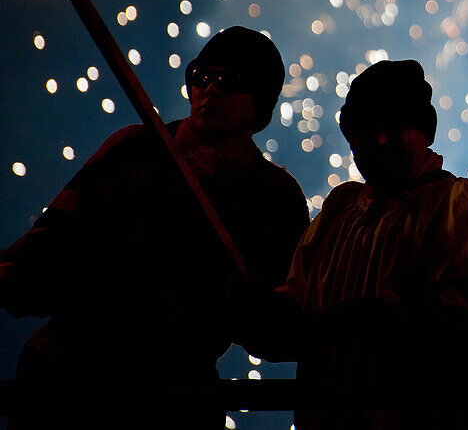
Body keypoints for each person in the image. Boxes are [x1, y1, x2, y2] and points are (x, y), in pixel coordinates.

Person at [0, 25, 309, 428]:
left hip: (171, 401)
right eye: (202, 75)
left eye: (230, 81)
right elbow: (49, 242)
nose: (210, 89)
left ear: (262, 103)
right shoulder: (132, 149)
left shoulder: (275, 198)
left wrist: (243, 306)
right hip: (67, 379)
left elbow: (281, 329)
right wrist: (14, 274)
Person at [238, 59, 468, 429]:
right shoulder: (339, 213)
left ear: (425, 130)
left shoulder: (460, 209)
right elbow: (296, 312)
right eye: (364, 128)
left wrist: (367, 323)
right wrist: (254, 314)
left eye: (394, 124)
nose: (379, 140)